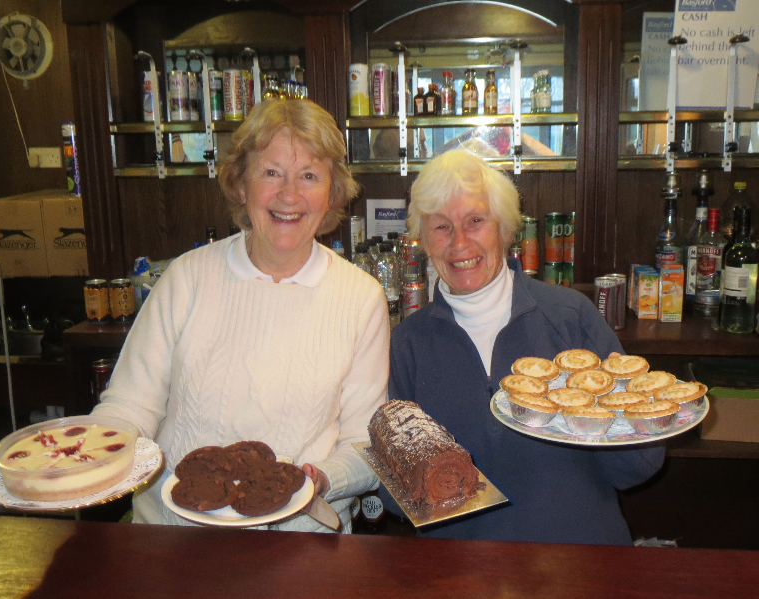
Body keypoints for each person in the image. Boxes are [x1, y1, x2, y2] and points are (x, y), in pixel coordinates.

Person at [94, 98, 389, 532]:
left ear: (331, 193)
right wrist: (84, 460)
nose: (289, 195)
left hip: (299, 549)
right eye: (271, 172)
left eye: (309, 176)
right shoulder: (186, 278)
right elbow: (127, 407)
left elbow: (365, 444)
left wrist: (320, 481)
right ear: (240, 183)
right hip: (173, 540)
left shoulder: (361, 297)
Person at [387, 148, 664, 544]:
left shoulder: (570, 317)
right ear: (422, 239)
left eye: (475, 221)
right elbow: (397, 501)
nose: (459, 242)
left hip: (578, 565)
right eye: (441, 227)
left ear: (504, 227)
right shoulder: (406, 344)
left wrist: (628, 413)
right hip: (459, 574)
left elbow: (636, 470)